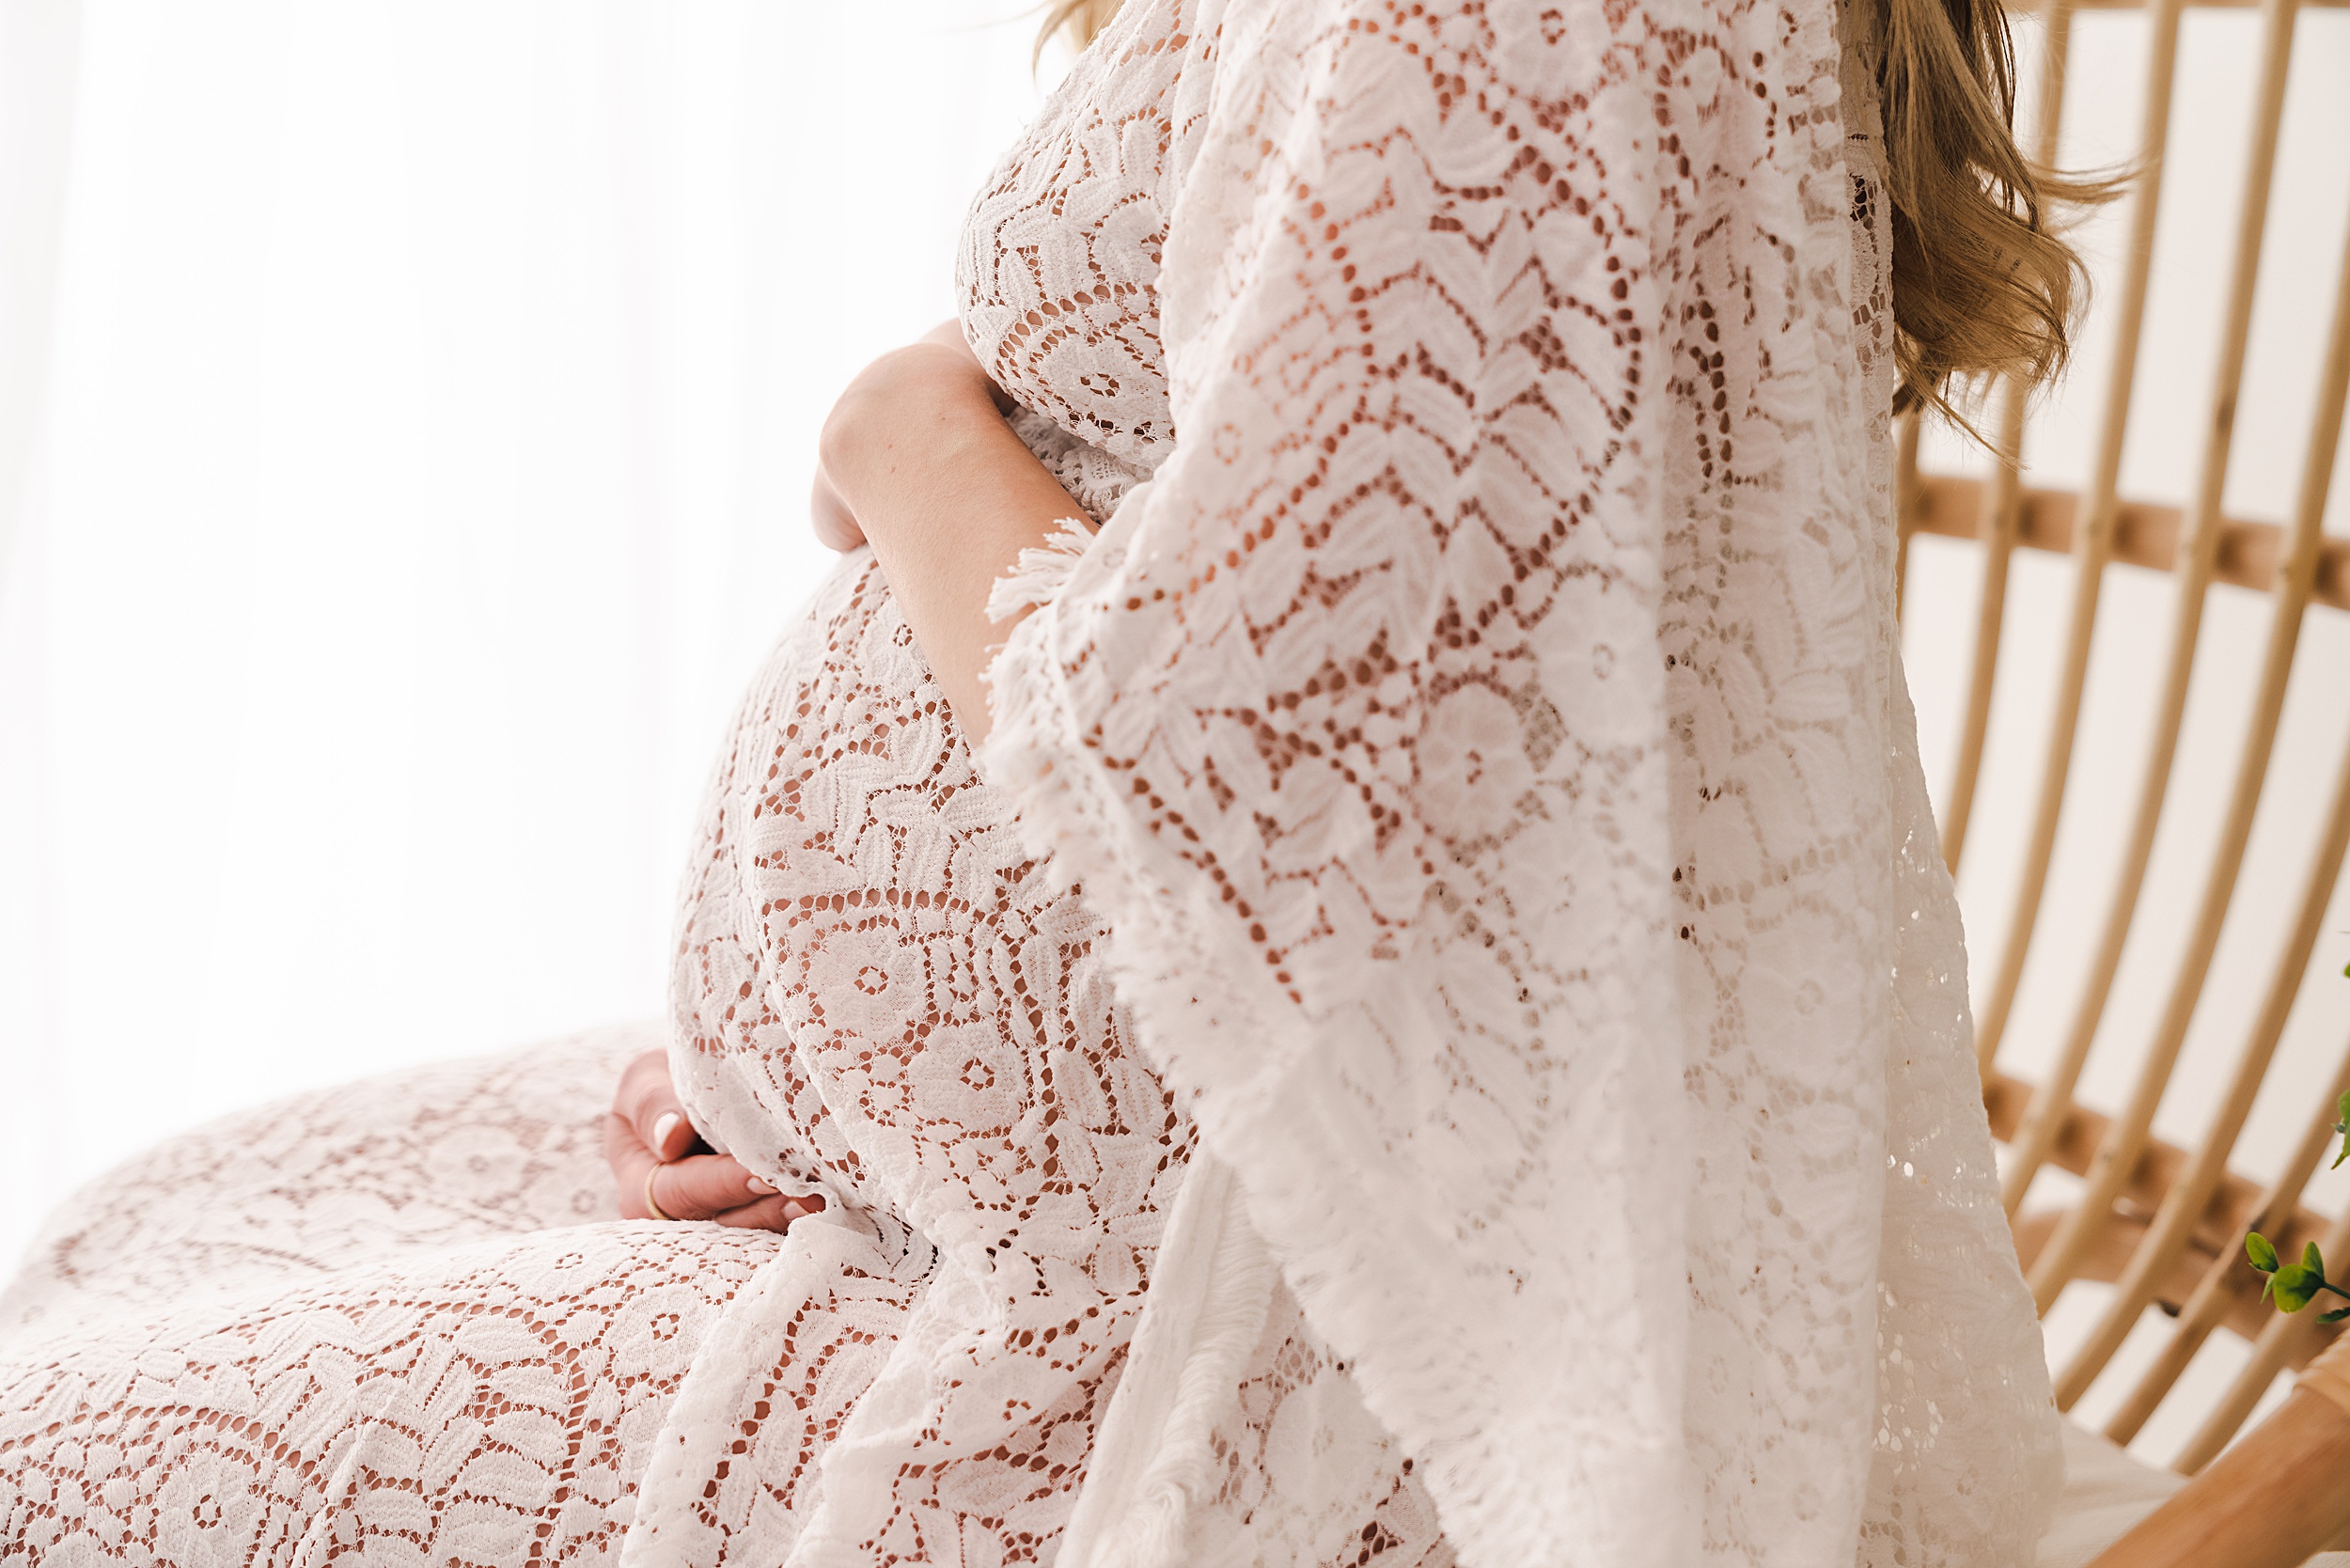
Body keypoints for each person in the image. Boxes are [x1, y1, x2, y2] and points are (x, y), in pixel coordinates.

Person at [0, 0, 2103, 1560]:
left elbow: (1276, 797)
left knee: (46, 1463)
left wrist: (893, 427)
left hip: (1143, 1315)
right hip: (988, 1190)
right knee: (158, 1223)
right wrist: (822, 1070)